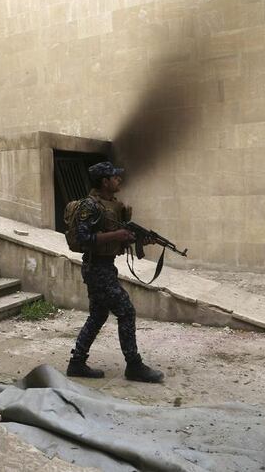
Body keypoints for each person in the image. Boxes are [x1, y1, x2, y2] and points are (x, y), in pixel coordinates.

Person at [66, 161, 164, 383]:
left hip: (105, 266)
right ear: (104, 181)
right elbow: (84, 239)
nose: (119, 179)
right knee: (126, 310)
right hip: (96, 267)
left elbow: (117, 239)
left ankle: (77, 363)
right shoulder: (89, 206)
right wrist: (116, 236)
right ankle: (134, 365)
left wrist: (136, 240)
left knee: (98, 315)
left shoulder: (111, 205)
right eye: (115, 177)